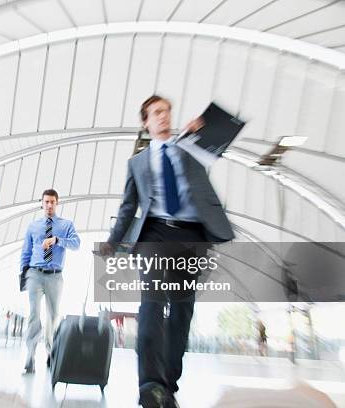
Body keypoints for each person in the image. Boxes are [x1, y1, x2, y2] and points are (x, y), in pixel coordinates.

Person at [102, 95, 234, 408]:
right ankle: (150, 386)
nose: (164, 117)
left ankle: (168, 384)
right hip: (154, 235)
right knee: (152, 304)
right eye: (157, 113)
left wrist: (199, 135)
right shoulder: (137, 162)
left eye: (168, 112)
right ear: (145, 122)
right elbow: (128, 206)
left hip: (192, 237)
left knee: (181, 312)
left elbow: (222, 137)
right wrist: (113, 240)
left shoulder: (190, 148)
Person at [20, 189, 80, 373]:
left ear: (57, 203)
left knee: (53, 317)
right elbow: (26, 253)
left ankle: (51, 354)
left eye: (52, 202)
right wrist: (23, 276)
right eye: (46, 202)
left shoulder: (66, 225)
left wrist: (57, 240)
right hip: (34, 274)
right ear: (42, 203)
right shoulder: (33, 226)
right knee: (33, 315)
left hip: (55, 276)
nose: (49, 205)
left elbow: (76, 244)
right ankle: (30, 357)